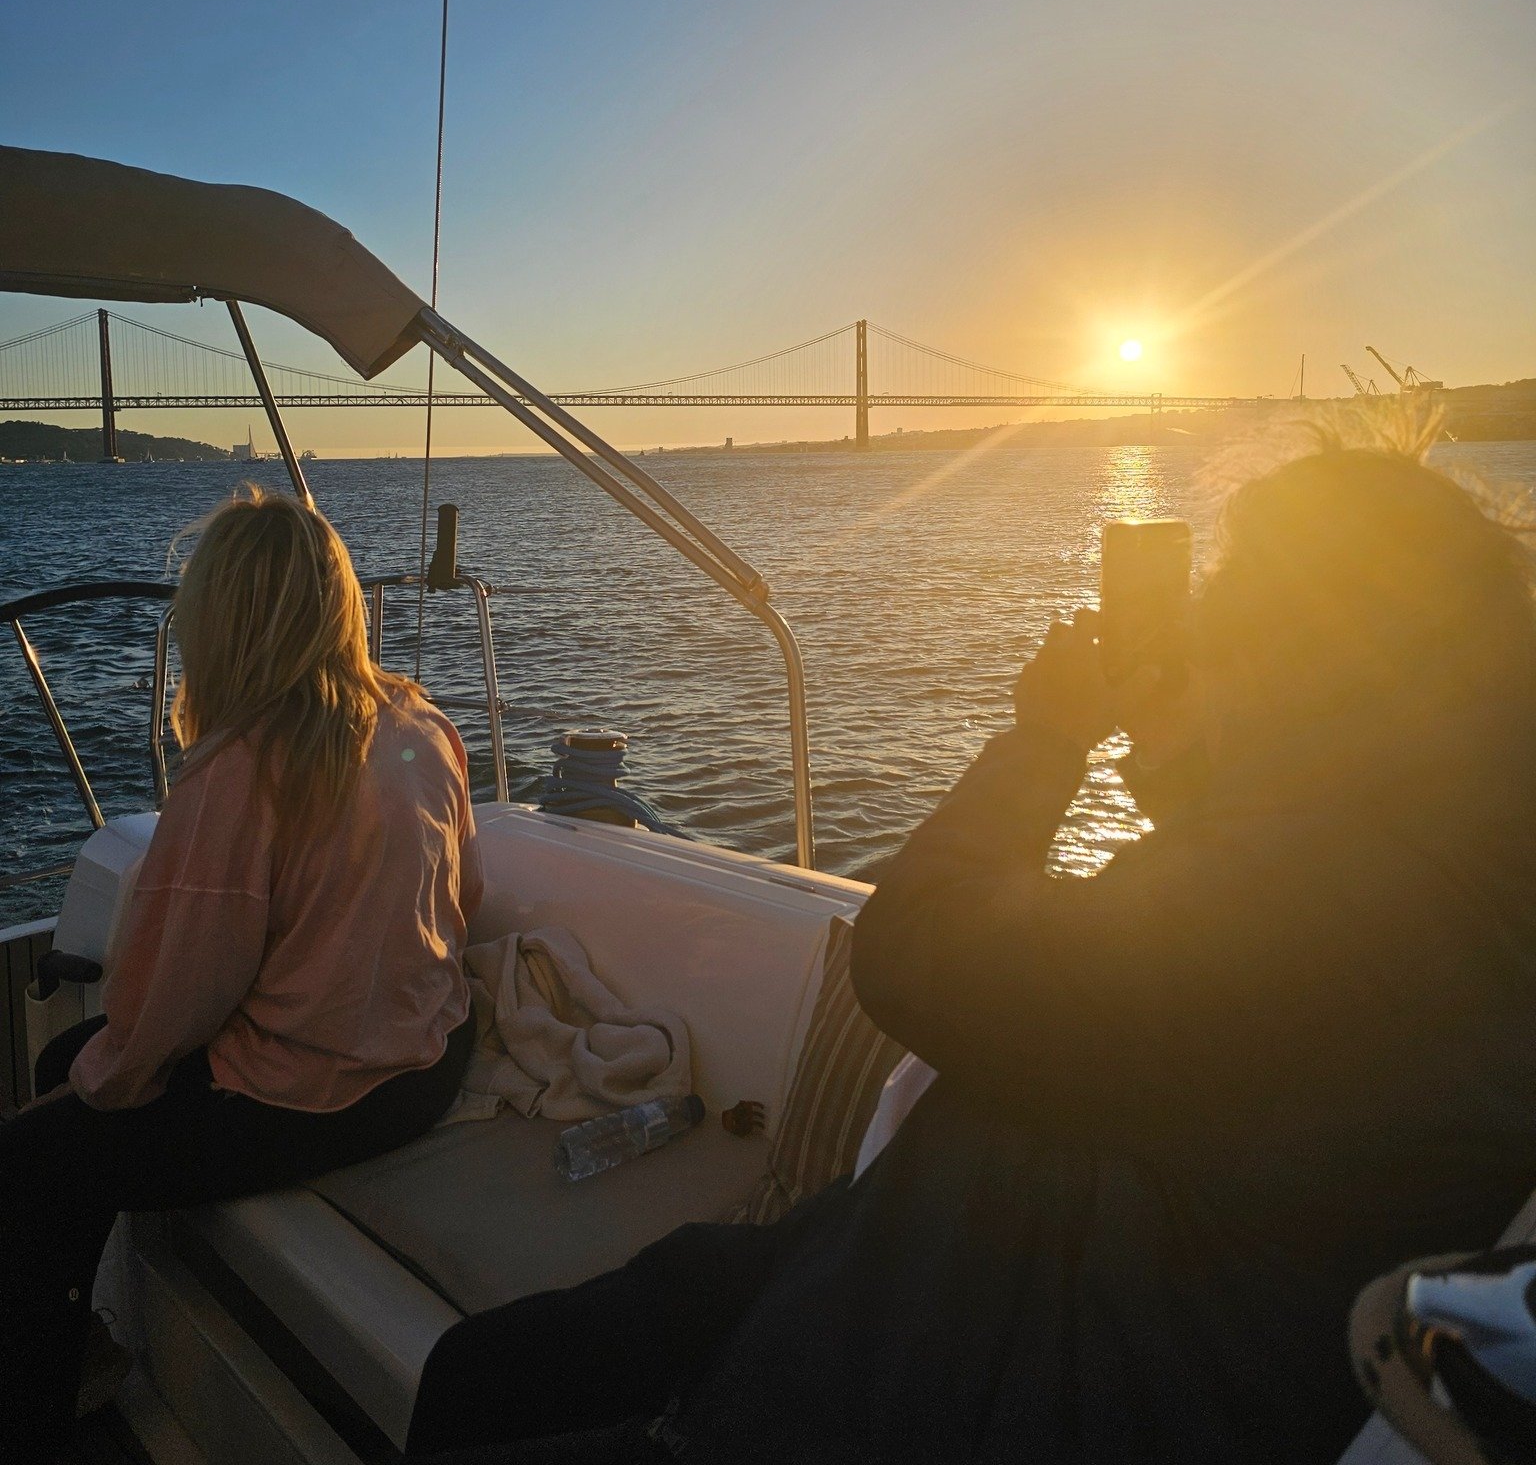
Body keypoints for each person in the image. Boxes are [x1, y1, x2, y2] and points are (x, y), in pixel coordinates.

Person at [405, 410, 1536, 1464]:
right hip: (988, 1263)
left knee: (483, 1390)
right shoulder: (1432, 878)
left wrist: (1043, 741)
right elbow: (1198, 982)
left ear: (1306, 662)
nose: (1203, 635)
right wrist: (1190, 763)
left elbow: (918, 955)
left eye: (1230, 609)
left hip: (969, 1362)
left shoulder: (1322, 900)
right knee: (499, 1367)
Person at [0, 488, 484, 1459]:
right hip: (432, 1057)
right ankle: (77, 1332)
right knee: (70, 1098)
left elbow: (168, 1003)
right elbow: (465, 892)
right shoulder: (417, 724)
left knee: (32, 1155)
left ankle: (36, 1417)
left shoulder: (239, 773)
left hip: (319, 1092)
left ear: (219, 625)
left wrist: (104, 1088)